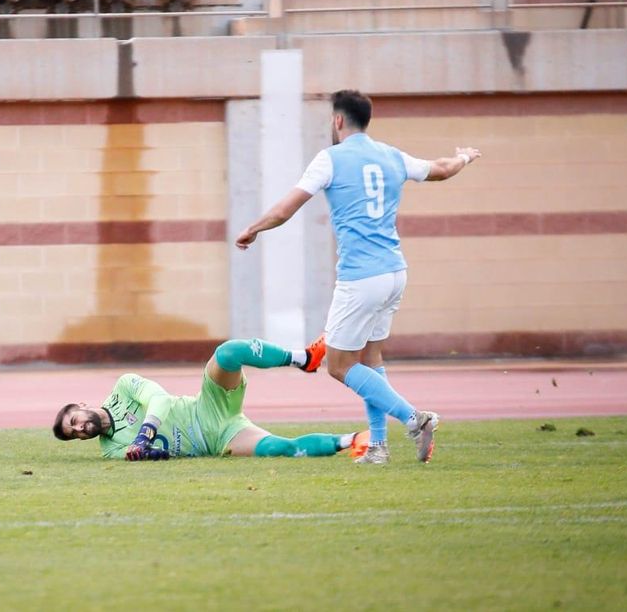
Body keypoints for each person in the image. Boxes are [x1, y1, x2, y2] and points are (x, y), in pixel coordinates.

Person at [234, 89, 480, 464]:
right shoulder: (392, 155)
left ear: (337, 121)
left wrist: (253, 228)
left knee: (338, 365)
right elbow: (442, 169)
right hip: (395, 272)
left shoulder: (330, 159)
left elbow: (287, 208)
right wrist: (463, 156)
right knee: (369, 359)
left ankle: (415, 418)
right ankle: (378, 448)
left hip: (361, 278)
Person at [51, 337, 366, 461]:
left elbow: (159, 398)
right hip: (218, 439)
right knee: (279, 448)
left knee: (228, 353)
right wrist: (145, 454)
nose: (79, 429)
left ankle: (303, 358)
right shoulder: (109, 449)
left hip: (207, 406)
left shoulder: (123, 386)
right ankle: (354, 440)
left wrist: (145, 435)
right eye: (74, 434)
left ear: (81, 405)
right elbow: (153, 458)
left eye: (74, 421)